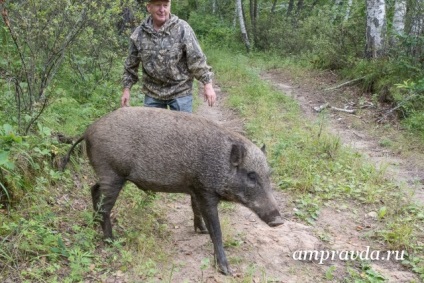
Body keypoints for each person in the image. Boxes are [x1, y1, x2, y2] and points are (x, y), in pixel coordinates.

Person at [121, 0, 216, 112]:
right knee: (152, 130)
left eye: (165, 5)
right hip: (153, 94)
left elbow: (196, 59)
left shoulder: (183, 29)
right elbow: (131, 65)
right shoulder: (139, 34)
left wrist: (207, 85)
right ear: (149, 7)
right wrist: (126, 89)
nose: (162, 10)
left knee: (182, 129)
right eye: (158, 5)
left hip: (180, 92)